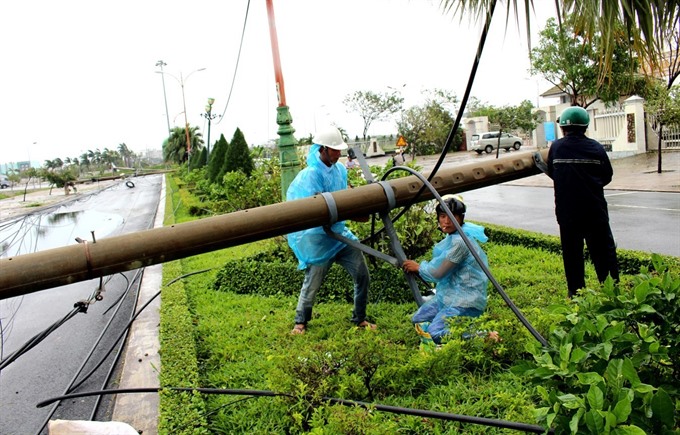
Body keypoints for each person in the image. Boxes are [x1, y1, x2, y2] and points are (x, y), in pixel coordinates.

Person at [286, 126, 376, 335]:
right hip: (318, 237)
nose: (338, 153)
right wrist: (353, 215)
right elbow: (319, 209)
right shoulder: (310, 175)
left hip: (339, 234)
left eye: (339, 149)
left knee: (362, 274)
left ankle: (359, 318)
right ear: (323, 149)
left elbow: (344, 196)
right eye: (334, 150)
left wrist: (364, 203)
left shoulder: (341, 170)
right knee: (312, 282)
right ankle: (300, 322)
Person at [547, 106, 619, 298]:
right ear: (586, 126)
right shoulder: (596, 148)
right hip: (595, 211)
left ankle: (575, 293)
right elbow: (607, 176)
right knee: (604, 253)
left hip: (567, 213)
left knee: (572, 255)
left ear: (562, 128)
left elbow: (554, 174)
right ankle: (611, 291)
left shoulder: (556, 147)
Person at [402, 195, 491, 345]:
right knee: (418, 319)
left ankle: (482, 335)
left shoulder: (461, 243)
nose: (447, 221)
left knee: (436, 332)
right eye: (443, 216)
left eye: (452, 216)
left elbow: (438, 273)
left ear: (461, 218)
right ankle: (448, 336)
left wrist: (418, 267)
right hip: (450, 297)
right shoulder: (453, 237)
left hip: (465, 301)